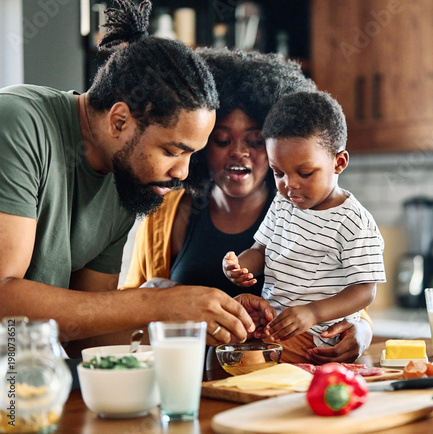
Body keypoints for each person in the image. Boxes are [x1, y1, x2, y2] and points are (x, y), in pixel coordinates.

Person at [0, 0, 266, 358]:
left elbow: (87, 340)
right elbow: (4, 298)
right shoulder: (17, 122)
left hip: (26, 384)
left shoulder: (127, 177)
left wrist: (184, 319)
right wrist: (154, 304)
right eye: (174, 151)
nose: (182, 173)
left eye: (191, 155)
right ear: (120, 121)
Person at [124, 48, 374, 363]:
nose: (239, 153)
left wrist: (361, 330)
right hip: (190, 381)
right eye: (222, 140)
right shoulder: (168, 214)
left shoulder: (302, 209)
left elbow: (346, 299)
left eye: (255, 141)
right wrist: (157, 296)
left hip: (274, 382)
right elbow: (129, 312)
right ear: (201, 143)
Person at [223, 91, 386, 363]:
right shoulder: (282, 203)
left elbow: (365, 290)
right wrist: (238, 267)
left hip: (318, 338)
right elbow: (260, 250)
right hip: (275, 328)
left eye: (305, 173)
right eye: (279, 173)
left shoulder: (354, 221)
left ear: (339, 163)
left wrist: (313, 312)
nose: (290, 184)